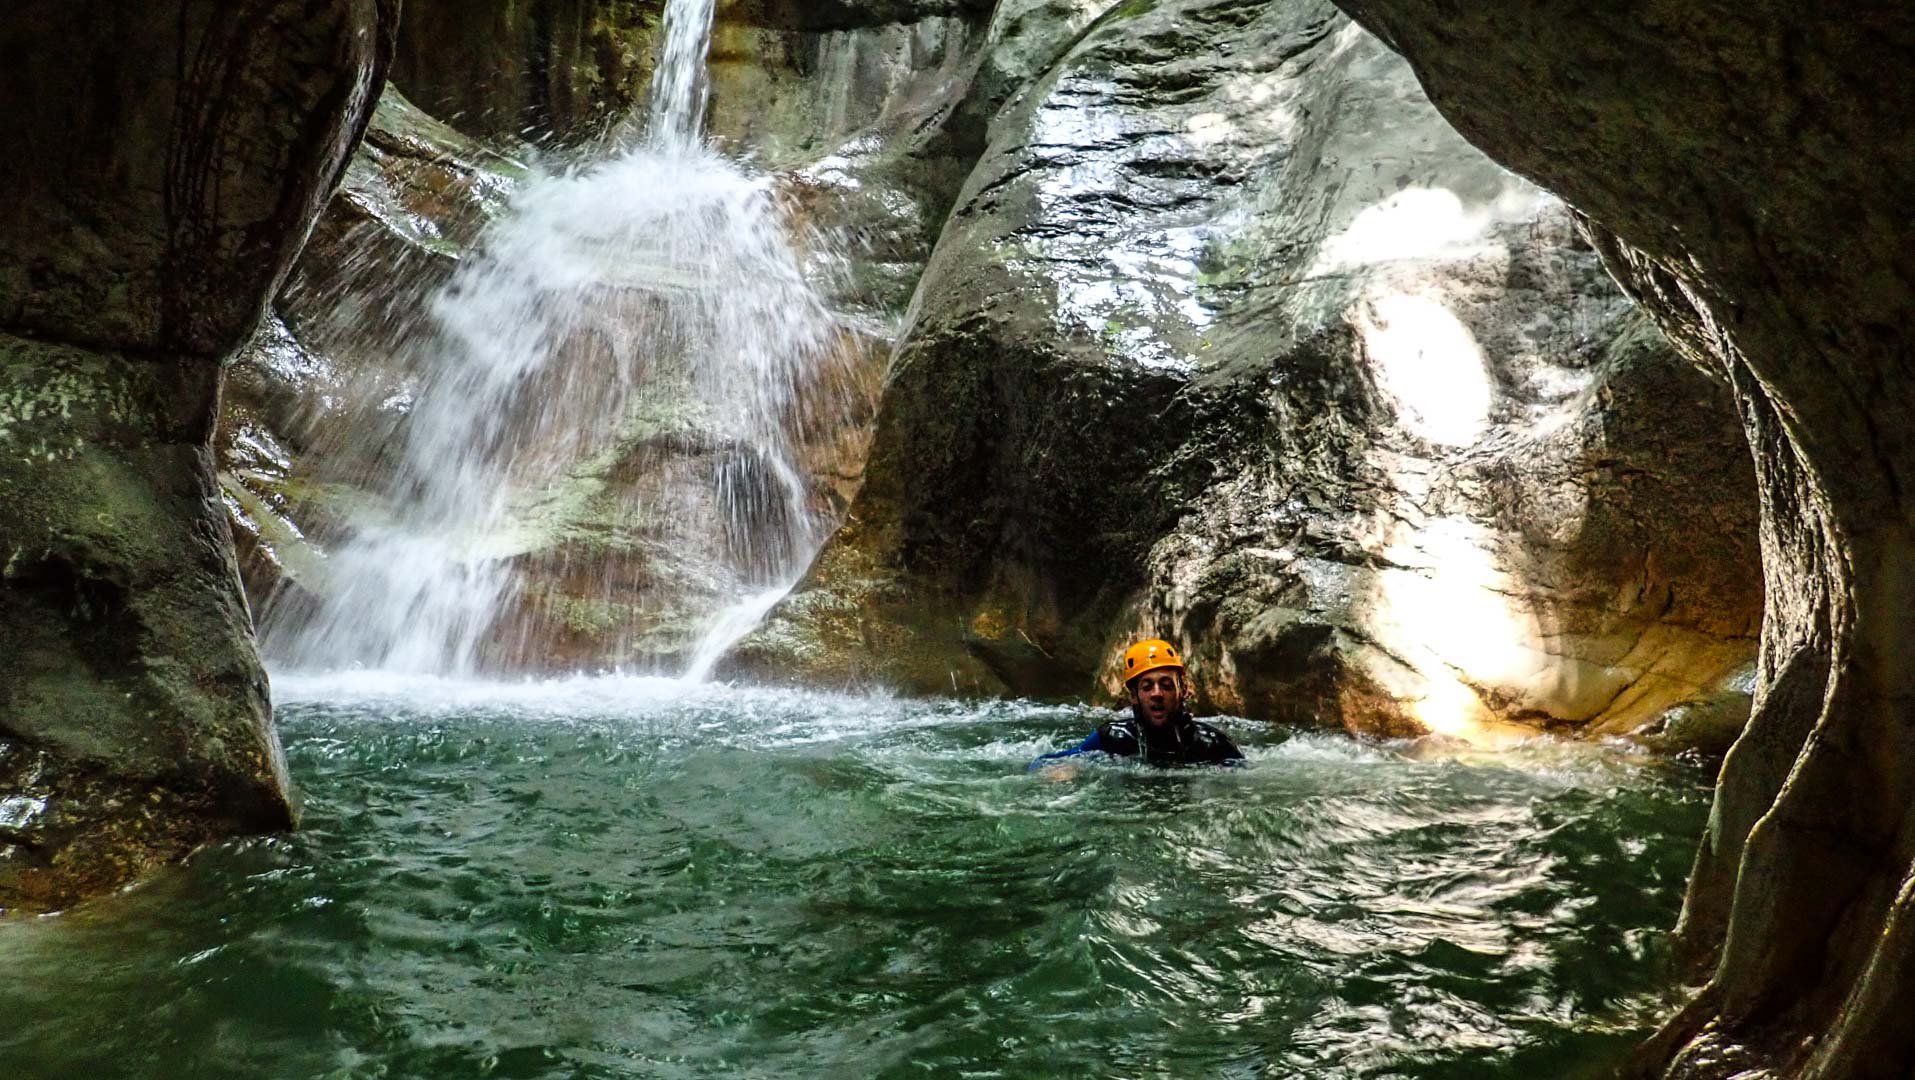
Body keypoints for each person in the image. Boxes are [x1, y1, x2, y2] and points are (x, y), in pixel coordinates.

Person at [1029, 639, 1244, 770]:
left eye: (1167, 685)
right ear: (1134, 696)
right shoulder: (1113, 738)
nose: (1157, 694)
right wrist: (1062, 769)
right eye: (1147, 687)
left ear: (1184, 691)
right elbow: (1044, 762)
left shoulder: (1213, 745)